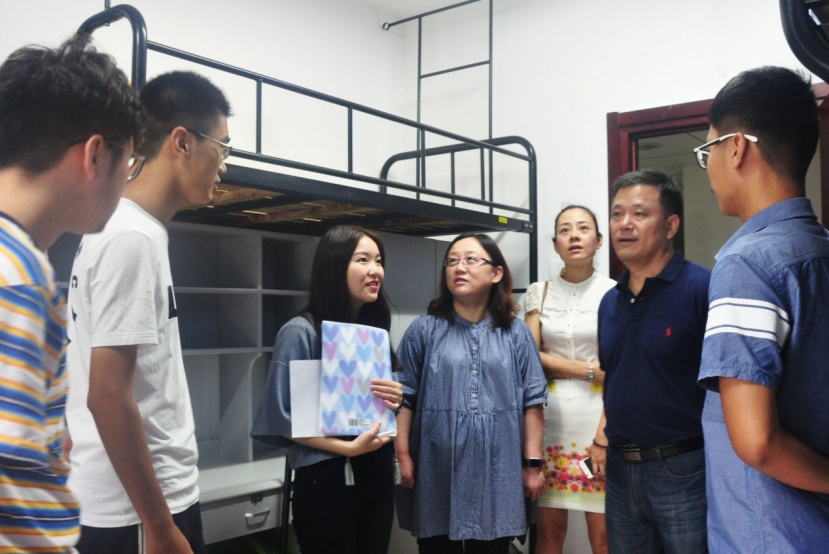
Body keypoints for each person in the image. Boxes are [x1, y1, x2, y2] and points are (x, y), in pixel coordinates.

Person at [65, 71, 231, 554]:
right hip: (136, 512)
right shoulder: (130, 238)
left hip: (137, 502)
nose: (224, 166)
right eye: (222, 147)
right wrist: (159, 526)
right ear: (182, 142)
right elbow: (107, 396)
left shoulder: (130, 230)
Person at [0, 35, 142, 553]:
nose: (126, 182)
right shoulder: (18, 276)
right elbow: (11, 495)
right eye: (130, 163)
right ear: (95, 155)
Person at [695, 66, 829, 552]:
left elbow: (757, 443)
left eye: (707, 150)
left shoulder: (747, 266)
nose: (708, 167)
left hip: (771, 534)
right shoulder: (819, 250)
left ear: (736, 147)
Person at [251, 225, 404, 554]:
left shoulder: (373, 331)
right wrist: (347, 449)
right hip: (326, 482)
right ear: (334, 267)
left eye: (378, 261)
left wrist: (395, 400)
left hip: (375, 474)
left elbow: (376, 409)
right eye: (362, 260)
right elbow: (281, 420)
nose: (375, 270)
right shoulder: (300, 332)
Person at [395, 233, 547, 554]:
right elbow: (403, 398)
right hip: (435, 466)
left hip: (499, 468)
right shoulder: (423, 330)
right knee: (436, 544)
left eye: (470, 259)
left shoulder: (517, 333)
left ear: (496, 273)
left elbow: (533, 402)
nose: (459, 267)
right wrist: (403, 455)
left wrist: (533, 465)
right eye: (452, 261)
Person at [588, 169, 710, 553]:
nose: (624, 224)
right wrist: (601, 440)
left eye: (639, 213)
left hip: (684, 468)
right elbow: (615, 380)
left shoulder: (702, 288)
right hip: (621, 470)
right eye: (617, 214)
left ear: (671, 225)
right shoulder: (610, 302)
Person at [525, 205, 614, 554]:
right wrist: (589, 370)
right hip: (550, 422)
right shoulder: (539, 292)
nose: (574, 235)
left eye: (583, 228)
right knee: (549, 534)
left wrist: (603, 438)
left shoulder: (615, 293)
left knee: (603, 537)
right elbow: (530, 358)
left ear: (599, 239)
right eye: (564, 230)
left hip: (599, 423)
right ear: (555, 244)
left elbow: (618, 366)